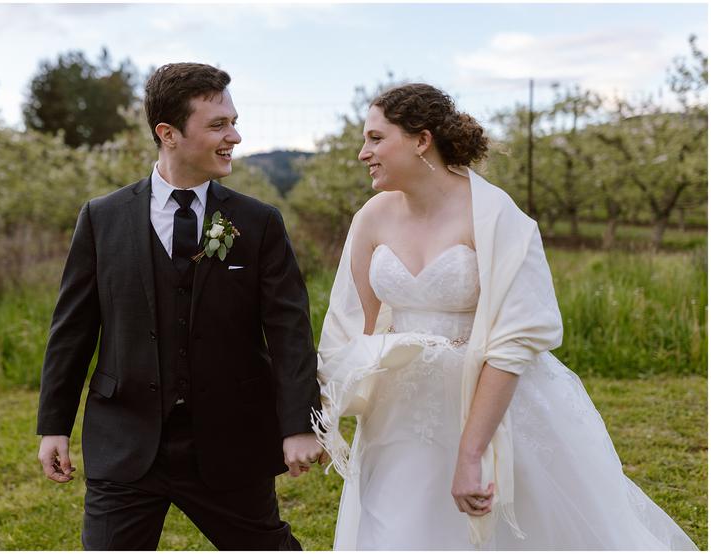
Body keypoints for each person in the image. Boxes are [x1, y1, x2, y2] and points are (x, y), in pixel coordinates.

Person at [311, 83, 698, 550]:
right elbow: (358, 330)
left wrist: (471, 454)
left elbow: (512, 341)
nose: (362, 153)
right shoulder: (371, 218)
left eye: (375, 138)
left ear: (420, 140)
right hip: (399, 414)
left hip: (488, 400)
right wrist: (324, 410)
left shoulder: (497, 217)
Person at [36, 62, 326, 551]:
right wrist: (53, 426)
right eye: (218, 125)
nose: (234, 135)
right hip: (126, 440)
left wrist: (299, 423)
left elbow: (288, 330)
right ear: (167, 133)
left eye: (232, 121)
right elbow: (73, 329)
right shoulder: (102, 218)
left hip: (228, 441)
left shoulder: (259, 223)